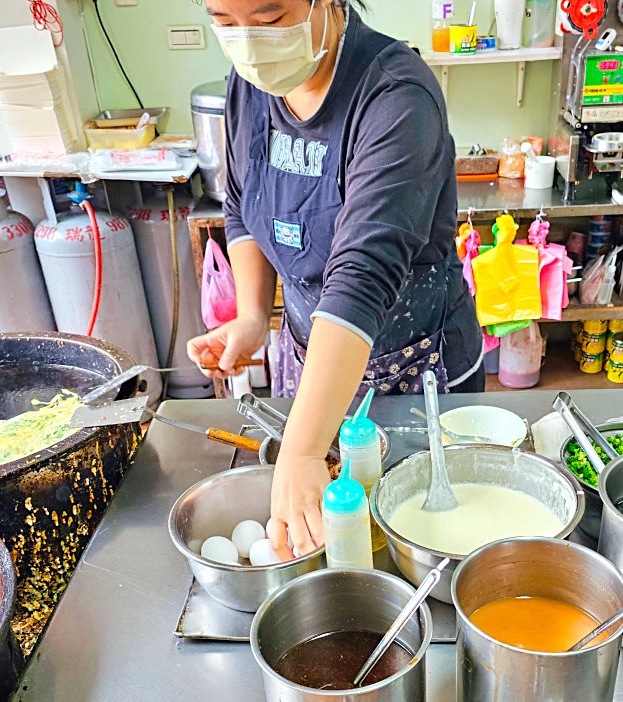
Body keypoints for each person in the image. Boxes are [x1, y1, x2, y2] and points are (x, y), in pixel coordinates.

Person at [189, 0, 484, 559]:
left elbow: (362, 274)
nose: (248, 42)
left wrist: (299, 453)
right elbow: (239, 206)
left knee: (421, 543)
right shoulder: (249, 84)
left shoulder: (396, 96)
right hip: (311, 370)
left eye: (269, 19)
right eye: (224, 21)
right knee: (332, 539)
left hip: (416, 373)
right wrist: (253, 317)